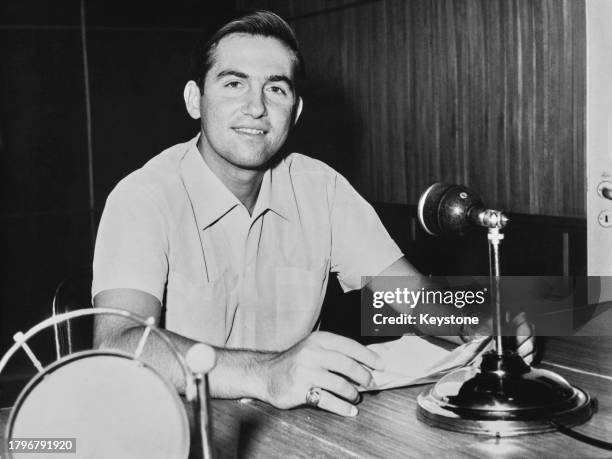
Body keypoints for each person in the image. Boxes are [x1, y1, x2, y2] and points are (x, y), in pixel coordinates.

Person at [92, 10, 533, 417]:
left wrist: (478, 319)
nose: (256, 106)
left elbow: (412, 298)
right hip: (178, 429)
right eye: (233, 83)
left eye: (276, 88)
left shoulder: (321, 187)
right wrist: (266, 372)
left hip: (299, 426)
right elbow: (118, 345)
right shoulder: (143, 196)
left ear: (295, 111)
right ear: (195, 99)